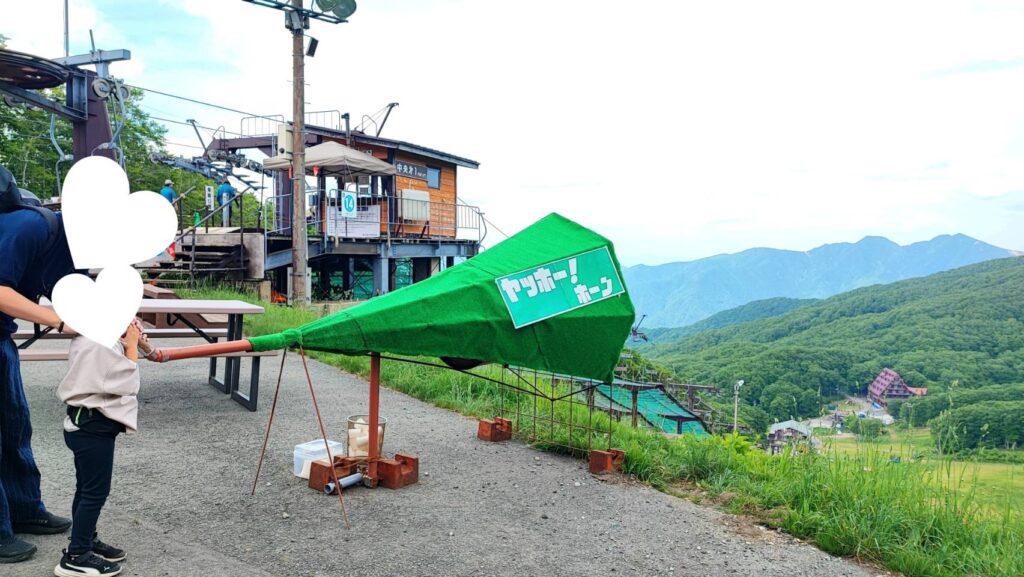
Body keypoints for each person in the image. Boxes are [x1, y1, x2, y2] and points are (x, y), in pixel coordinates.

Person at [0, 165, 75, 563]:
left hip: (0, 335)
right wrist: (57, 321)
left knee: (14, 426)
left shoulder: (73, 249)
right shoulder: (31, 227)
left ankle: (24, 509)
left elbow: (74, 294)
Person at [53, 319, 151, 577]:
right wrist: (132, 345)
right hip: (92, 427)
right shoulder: (99, 342)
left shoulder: (93, 333)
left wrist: (127, 340)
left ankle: (85, 538)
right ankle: (77, 556)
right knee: (95, 493)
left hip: (86, 423)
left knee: (85, 488)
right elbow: (127, 383)